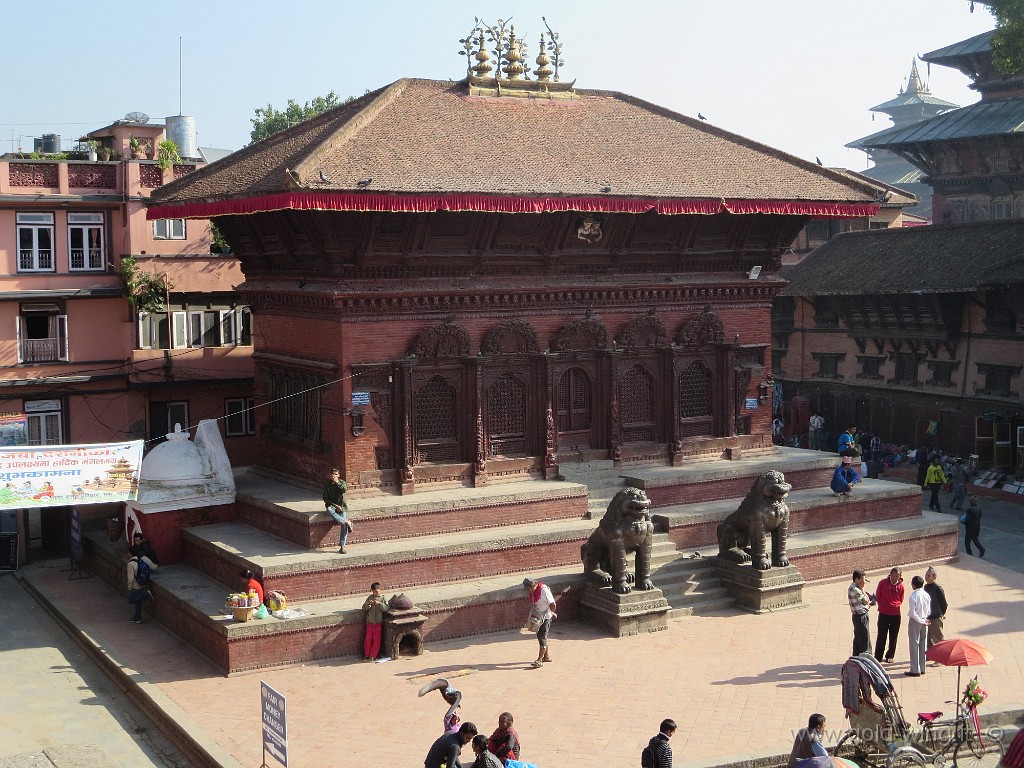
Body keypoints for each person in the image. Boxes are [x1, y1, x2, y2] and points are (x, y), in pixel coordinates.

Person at [523, 577, 557, 668]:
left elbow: (553, 604)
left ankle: (539, 660)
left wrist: (552, 613)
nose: (528, 590)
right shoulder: (533, 592)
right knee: (542, 636)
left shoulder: (544, 591)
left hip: (545, 617)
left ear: (533, 585)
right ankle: (546, 657)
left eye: (529, 588)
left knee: (542, 637)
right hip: (538, 617)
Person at [874, 567, 905, 664]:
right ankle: (878, 656)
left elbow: (901, 599)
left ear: (900, 576)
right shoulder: (882, 583)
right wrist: (883, 605)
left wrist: (894, 605)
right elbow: (878, 595)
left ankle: (890, 655)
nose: (895, 578)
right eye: (893, 575)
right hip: (883, 614)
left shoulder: (901, 587)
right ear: (890, 574)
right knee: (881, 636)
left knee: (893, 636)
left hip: (895, 615)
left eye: (897, 576)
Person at [906, 575, 932, 677]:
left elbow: (913, 612)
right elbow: (929, 610)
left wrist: (919, 620)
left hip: (916, 622)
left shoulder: (913, 596)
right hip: (924, 621)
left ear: (913, 584)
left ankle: (914, 669)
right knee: (923, 644)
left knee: (914, 644)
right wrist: (924, 620)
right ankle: (922, 667)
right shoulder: (926, 595)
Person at [322, 467, 352, 553]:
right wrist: (335, 506)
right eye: (332, 474)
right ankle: (347, 521)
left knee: (344, 526)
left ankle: (342, 546)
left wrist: (337, 483)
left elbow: (344, 490)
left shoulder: (342, 483)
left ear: (338, 475)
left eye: (335, 474)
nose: (333, 476)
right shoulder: (327, 485)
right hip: (332, 506)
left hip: (342, 506)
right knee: (329, 510)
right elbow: (325, 498)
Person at [127, 551, 158, 624]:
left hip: (136, 585)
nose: (127, 554)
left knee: (132, 600)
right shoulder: (141, 559)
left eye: (128, 553)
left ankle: (146, 595)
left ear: (131, 553)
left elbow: (130, 578)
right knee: (138, 603)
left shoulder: (130, 564)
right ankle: (137, 617)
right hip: (143, 582)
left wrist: (129, 587)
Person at [362, 581, 390, 661]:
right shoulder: (369, 598)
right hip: (369, 622)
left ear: (380, 590)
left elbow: (386, 609)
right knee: (368, 639)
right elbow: (363, 608)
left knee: (376, 640)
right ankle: (367, 654)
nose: (374, 593)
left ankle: (373, 656)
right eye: (373, 591)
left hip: (378, 622)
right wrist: (368, 604)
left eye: (376, 591)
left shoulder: (383, 598)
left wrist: (379, 604)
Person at [849, 570, 874, 656]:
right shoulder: (855, 589)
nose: (863, 582)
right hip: (860, 616)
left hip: (859, 616)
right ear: (856, 579)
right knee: (864, 639)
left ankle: (856, 657)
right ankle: (865, 658)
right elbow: (866, 601)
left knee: (858, 638)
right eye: (862, 580)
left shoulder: (855, 588)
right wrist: (862, 589)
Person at [923, 567, 947, 650]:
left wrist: (941, 614)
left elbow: (944, 603)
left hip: (936, 617)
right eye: (926, 575)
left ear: (934, 577)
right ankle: (930, 655)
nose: (926, 577)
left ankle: (940, 658)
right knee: (929, 638)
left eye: (929, 575)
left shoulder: (938, 588)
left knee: (938, 638)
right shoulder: (926, 587)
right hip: (929, 616)